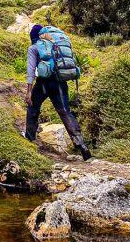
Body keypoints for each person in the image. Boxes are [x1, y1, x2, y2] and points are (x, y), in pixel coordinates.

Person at [26, 24, 92, 161]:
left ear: (33, 37)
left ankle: (29, 139)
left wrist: (28, 92)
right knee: (65, 112)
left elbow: (31, 70)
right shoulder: (56, 45)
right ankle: (82, 145)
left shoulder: (34, 48)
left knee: (33, 107)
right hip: (60, 83)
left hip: (44, 83)